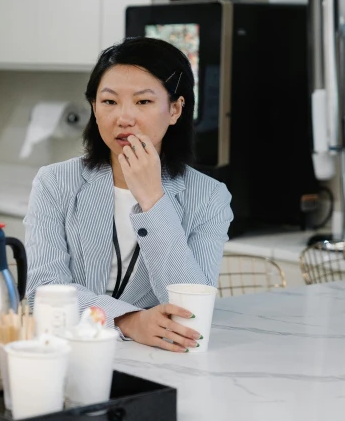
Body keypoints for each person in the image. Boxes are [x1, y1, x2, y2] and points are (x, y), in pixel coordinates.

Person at [24, 37, 233, 352]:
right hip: (69, 351)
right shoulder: (55, 182)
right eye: (109, 101)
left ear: (175, 109)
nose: (123, 117)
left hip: (159, 361)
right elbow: (43, 292)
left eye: (143, 102)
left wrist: (152, 200)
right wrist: (127, 320)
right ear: (94, 108)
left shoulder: (209, 197)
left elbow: (193, 310)